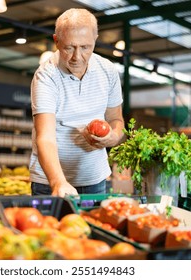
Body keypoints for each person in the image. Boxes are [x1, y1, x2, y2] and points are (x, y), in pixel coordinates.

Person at [30, 8, 125, 197]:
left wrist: (113, 137)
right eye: (69, 47)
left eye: (85, 47)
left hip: (95, 178)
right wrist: (58, 182)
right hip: (50, 181)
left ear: (95, 40)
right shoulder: (46, 76)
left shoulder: (108, 71)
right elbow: (45, 136)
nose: (77, 57)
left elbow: (116, 119)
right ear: (56, 41)